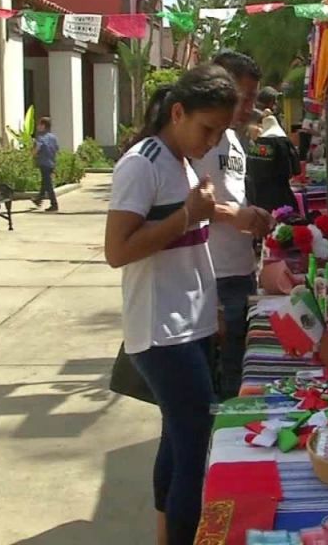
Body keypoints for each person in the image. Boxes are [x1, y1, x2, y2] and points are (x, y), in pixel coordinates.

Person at [104, 65, 241, 545]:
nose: (211, 141)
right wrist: (187, 215)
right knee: (196, 447)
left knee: (177, 441)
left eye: (221, 132)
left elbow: (192, 250)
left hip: (191, 325)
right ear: (177, 112)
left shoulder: (180, 161)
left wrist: (213, 310)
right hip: (161, 332)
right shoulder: (141, 163)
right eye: (207, 129)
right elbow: (117, 251)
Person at [193, 50, 272, 399]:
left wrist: (253, 216)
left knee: (238, 376)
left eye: (254, 96)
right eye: (246, 96)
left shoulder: (235, 139)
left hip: (240, 272)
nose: (249, 106)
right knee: (221, 387)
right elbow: (187, 203)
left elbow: (230, 196)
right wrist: (235, 216)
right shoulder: (200, 140)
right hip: (213, 278)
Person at [247, 113, 301, 215]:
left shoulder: (257, 145)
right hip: (280, 195)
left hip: (258, 196)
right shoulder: (283, 142)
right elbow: (295, 169)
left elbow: (251, 170)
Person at [33, 117, 60, 212]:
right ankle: (38, 199)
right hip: (51, 162)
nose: (37, 126)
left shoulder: (41, 137)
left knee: (48, 185)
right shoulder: (53, 137)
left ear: (43, 126)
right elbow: (57, 149)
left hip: (44, 163)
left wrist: (33, 154)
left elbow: (37, 148)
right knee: (45, 182)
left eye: (39, 124)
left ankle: (54, 204)